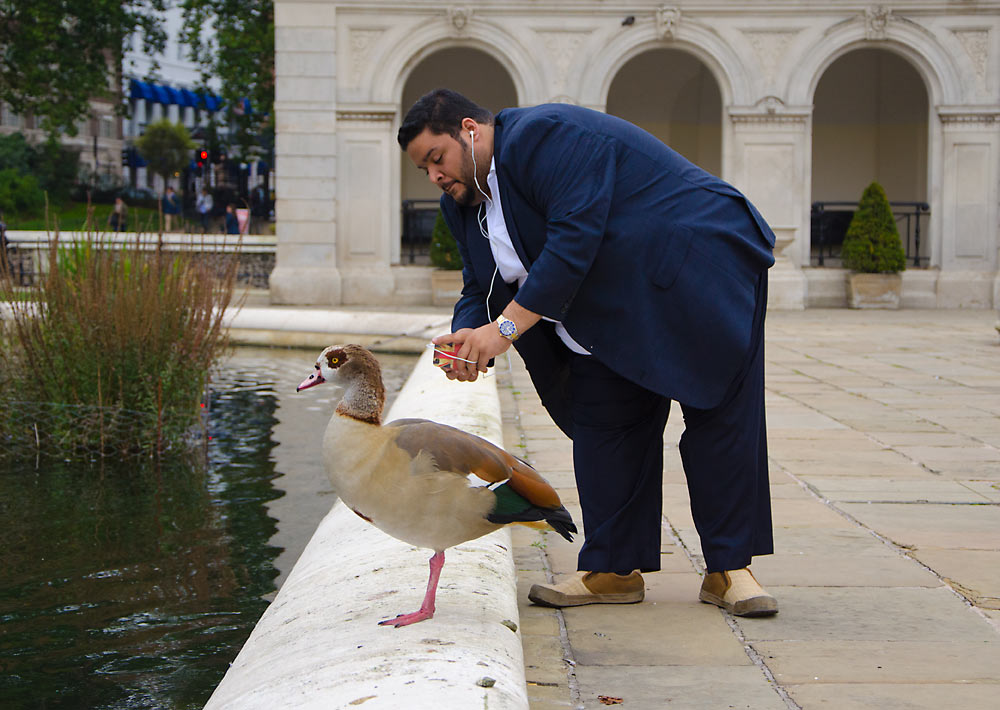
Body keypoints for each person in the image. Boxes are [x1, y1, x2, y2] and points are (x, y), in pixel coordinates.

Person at [399, 89, 778, 617]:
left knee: (719, 419)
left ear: (470, 130)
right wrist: (466, 339)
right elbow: (478, 286)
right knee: (608, 424)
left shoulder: (543, 136)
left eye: (436, 159)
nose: (436, 176)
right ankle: (612, 569)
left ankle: (730, 569)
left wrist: (503, 330)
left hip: (696, 271)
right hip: (609, 305)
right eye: (424, 170)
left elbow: (574, 238)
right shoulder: (461, 206)